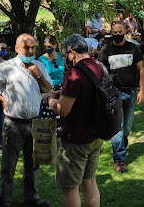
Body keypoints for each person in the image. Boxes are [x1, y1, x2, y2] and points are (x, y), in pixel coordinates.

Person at [0, 33, 53, 207]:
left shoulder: (39, 65)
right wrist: (1, 98)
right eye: (26, 47)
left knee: (33, 164)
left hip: (34, 122)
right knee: (8, 166)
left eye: (33, 47)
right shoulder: (7, 67)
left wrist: (38, 75)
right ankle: (4, 201)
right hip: (14, 124)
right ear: (17, 48)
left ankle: (31, 198)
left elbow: (48, 88)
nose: (30, 51)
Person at [45, 34, 103, 207]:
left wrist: (49, 99)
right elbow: (85, 93)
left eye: (65, 56)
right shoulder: (98, 66)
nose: (65, 60)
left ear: (71, 53)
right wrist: (62, 93)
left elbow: (63, 109)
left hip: (76, 138)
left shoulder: (74, 73)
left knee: (70, 188)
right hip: (95, 133)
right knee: (90, 181)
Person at [97, 21, 144, 173]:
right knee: (119, 126)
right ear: (111, 32)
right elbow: (99, 73)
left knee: (128, 126)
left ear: (126, 31)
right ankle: (119, 159)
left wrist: (142, 90)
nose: (118, 35)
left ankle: (122, 144)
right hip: (113, 94)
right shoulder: (105, 50)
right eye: (115, 32)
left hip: (130, 91)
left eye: (120, 32)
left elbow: (141, 70)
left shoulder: (133, 48)